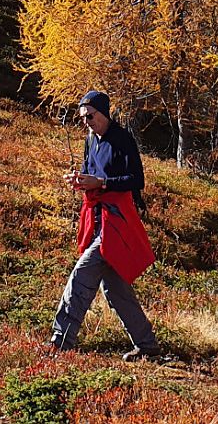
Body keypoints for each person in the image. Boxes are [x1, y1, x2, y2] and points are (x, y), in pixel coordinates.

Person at [48, 90, 161, 361]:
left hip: (117, 221)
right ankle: (147, 346)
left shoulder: (122, 139)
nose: (86, 121)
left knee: (82, 274)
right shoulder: (90, 140)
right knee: (115, 287)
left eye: (90, 115)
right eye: (83, 117)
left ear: (104, 112)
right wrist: (81, 180)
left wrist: (102, 183)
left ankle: (60, 342)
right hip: (98, 218)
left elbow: (136, 180)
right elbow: (93, 173)